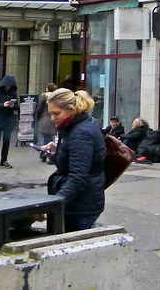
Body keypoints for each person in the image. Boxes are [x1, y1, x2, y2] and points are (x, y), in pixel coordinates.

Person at [41, 88, 106, 232]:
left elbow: (78, 177)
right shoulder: (74, 126)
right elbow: (72, 163)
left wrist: (54, 204)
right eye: (50, 113)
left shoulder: (81, 133)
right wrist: (57, 151)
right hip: (80, 202)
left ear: (71, 110)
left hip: (80, 206)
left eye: (56, 113)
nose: (52, 118)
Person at [35, 83, 58, 161]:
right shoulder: (56, 97)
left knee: (46, 138)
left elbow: (39, 109)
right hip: (54, 119)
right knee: (51, 138)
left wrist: (37, 118)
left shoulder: (44, 97)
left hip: (45, 119)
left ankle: (45, 155)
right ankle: (49, 155)